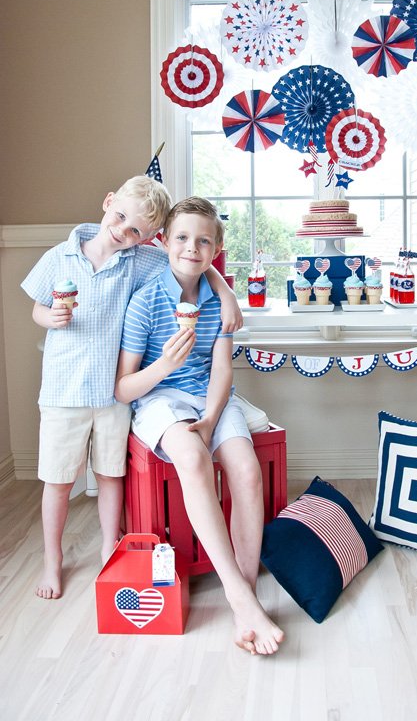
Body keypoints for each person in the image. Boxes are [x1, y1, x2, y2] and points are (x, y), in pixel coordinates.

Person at [21, 176, 243, 601]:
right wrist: (46, 318)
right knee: (58, 481)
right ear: (108, 202)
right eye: (120, 218)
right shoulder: (60, 256)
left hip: (112, 395)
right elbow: (36, 304)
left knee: (110, 477)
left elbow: (193, 259)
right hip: (64, 394)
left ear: (147, 237)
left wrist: (227, 294)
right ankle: (52, 560)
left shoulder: (140, 259)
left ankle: (110, 547)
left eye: (136, 231)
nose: (124, 232)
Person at [115, 197, 284, 656]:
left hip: (210, 395)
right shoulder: (145, 302)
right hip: (159, 398)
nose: (192, 247)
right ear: (164, 241)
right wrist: (163, 365)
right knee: (191, 457)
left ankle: (244, 597)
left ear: (216, 249)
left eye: (204, 240)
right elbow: (124, 389)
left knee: (246, 471)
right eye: (183, 238)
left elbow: (222, 370)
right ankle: (239, 596)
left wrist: (211, 419)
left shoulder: (217, 301)